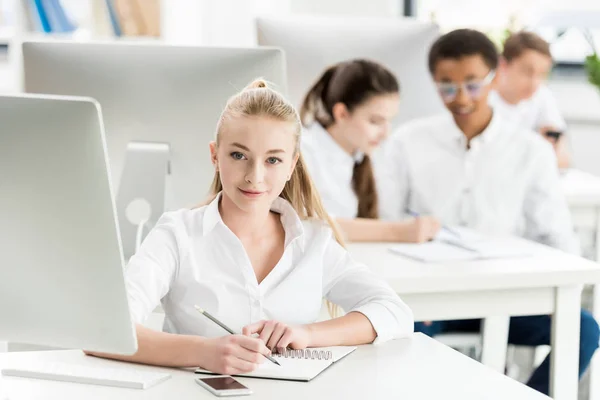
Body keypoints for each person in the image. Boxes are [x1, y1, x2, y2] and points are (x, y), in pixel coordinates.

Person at [85, 79, 414, 375]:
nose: (255, 176)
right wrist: (203, 352)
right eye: (239, 155)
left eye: (273, 160)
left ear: (292, 165)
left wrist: (306, 334)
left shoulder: (313, 241)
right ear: (215, 156)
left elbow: (394, 312)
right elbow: (103, 332)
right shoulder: (177, 234)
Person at [377, 28, 598, 395]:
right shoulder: (407, 141)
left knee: (584, 329)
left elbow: (555, 232)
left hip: (506, 293)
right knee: (390, 339)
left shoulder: (530, 150)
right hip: (431, 298)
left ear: (494, 77)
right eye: (447, 86)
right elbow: (388, 223)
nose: (461, 98)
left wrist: (559, 290)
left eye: (473, 84)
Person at [301, 59, 441, 243]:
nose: (386, 133)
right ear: (342, 114)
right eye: (375, 121)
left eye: (389, 121)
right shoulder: (303, 150)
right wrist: (397, 232)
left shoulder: (364, 154)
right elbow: (305, 224)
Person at [490, 30, 570, 168]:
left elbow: (562, 160)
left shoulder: (542, 96)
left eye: (542, 74)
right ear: (503, 65)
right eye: (527, 71)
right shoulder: (484, 100)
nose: (534, 83)